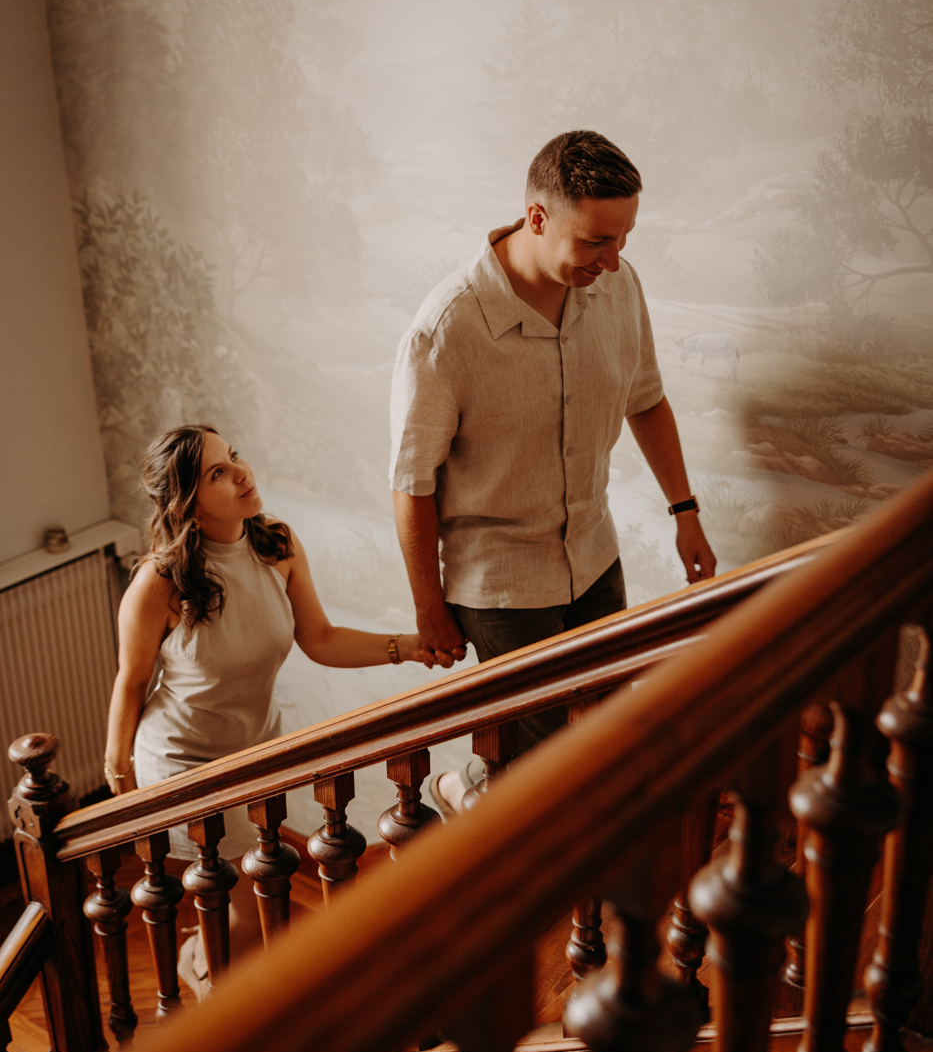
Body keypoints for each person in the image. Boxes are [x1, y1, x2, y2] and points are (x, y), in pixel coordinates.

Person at [389, 130, 716, 814]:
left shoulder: (617, 288)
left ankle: (478, 798)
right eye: (596, 241)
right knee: (543, 772)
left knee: (602, 732)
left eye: (623, 238)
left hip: (594, 556)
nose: (613, 259)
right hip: (501, 583)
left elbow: (646, 399)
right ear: (536, 219)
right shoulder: (446, 329)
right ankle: (481, 809)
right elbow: (413, 483)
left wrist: (684, 510)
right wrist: (429, 608)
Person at [104, 423, 431, 994]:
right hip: (185, 763)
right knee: (243, 912)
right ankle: (214, 984)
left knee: (255, 892)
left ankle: (211, 959)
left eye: (234, 457)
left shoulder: (275, 541)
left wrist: (408, 646)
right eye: (218, 473)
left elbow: (321, 639)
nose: (242, 473)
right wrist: (120, 776)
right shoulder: (159, 581)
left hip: (257, 749)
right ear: (188, 501)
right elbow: (131, 682)